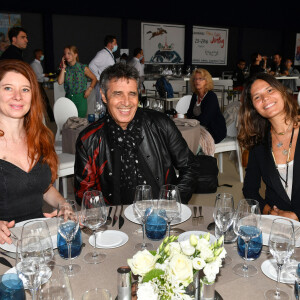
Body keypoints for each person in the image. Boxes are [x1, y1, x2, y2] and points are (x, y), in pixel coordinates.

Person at [74, 63, 198, 206]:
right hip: (114, 221)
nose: (126, 102)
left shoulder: (161, 124)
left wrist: (172, 203)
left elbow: (190, 166)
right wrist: (106, 219)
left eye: (132, 94)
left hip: (161, 215)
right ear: (104, 96)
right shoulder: (88, 139)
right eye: (118, 94)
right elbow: (84, 193)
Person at [0, 60, 67, 244]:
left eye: (25, 89)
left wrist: (64, 204)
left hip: (39, 241)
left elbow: (43, 187)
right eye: (8, 88)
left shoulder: (41, 138)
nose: (17, 96)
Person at [238, 73, 300, 221]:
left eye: (270, 90)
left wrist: (297, 215)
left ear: (282, 92)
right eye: (257, 97)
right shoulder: (259, 142)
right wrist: (268, 211)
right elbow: (249, 189)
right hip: (276, 224)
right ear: (253, 107)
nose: (265, 98)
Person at [186, 68, 227, 144]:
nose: (197, 81)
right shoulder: (195, 95)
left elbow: (204, 120)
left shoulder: (211, 96)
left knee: (189, 139)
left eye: (200, 79)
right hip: (199, 128)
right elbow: (189, 114)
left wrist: (191, 120)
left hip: (215, 131)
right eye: (195, 79)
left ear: (206, 81)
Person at [57, 45, 97, 118]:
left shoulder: (82, 68)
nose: (66, 56)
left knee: (80, 123)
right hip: (68, 98)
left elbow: (94, 78)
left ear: (75, 55)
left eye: (69, 53)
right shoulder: (66, 69)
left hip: (80, 98)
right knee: (69, 124)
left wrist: (89, 89)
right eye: (65, 54)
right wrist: (63, 67)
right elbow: (60, 82)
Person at [89, 35, 118, 113]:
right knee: (101, 107)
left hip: (108, 84)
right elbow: (91, 65)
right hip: (102, 84)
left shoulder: (109, 54)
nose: (116, 45)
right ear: (110, 44)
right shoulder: (102, 54)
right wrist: (98, 77)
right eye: (115, 43)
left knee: (108, 106)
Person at [30, 49, 54, 122]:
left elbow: (41, 77)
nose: (42, 55)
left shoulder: (38, 64)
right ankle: (51, 118)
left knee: (45, 101)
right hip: (36, 85)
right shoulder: (34, 64)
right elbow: (38, 76)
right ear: (37, 55)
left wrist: (48, 79)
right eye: (41, 54)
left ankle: (51, 117)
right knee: (45, 101)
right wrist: (47, 75)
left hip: (39, 84)